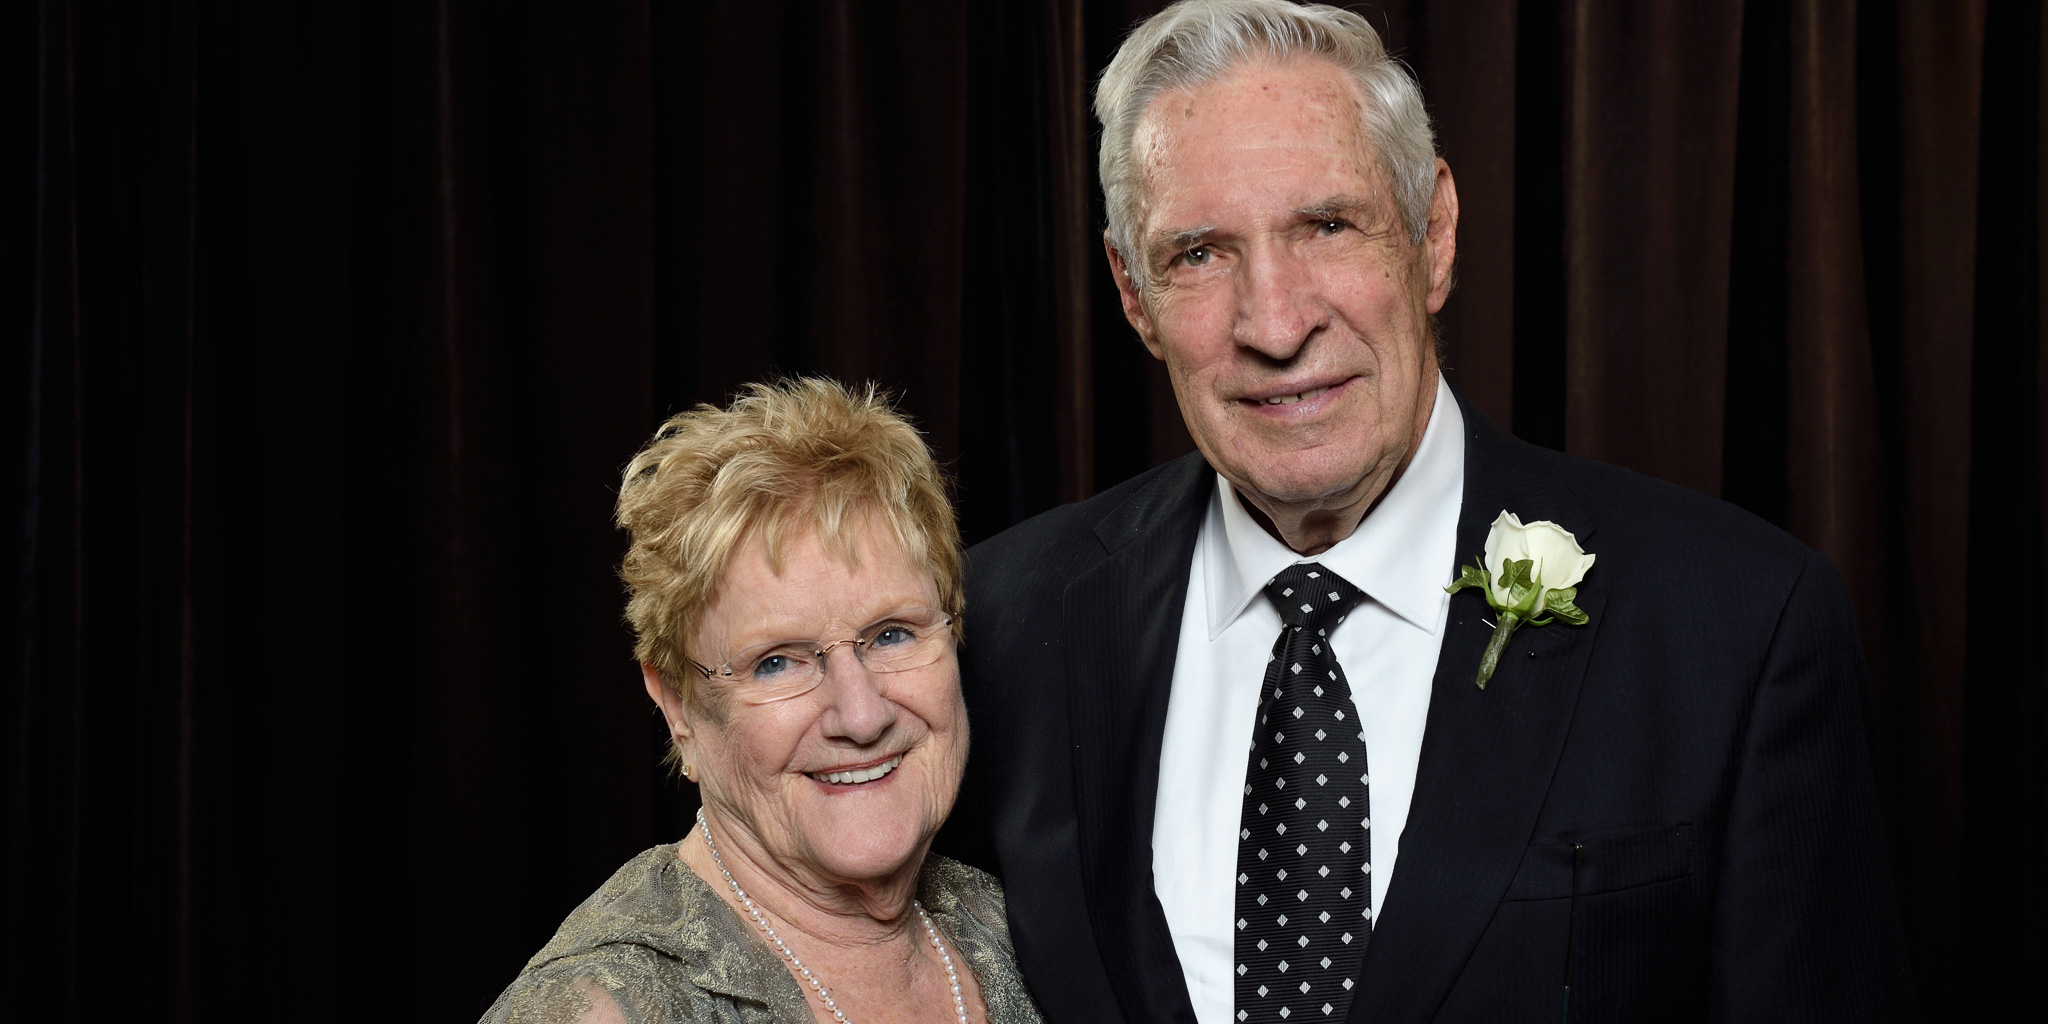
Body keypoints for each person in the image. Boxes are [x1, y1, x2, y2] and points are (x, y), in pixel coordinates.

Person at [942, 2, 1912, 1022]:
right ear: (1132, 295)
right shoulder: (999, 627)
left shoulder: (1737, 626)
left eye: (1325, 225)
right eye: (1198, 254)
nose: (1274, 322)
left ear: (1432, 233)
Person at [483, 379, 1044, 1024]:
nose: (862, 716)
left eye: (892, 634)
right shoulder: (607, 1006)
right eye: (776, 662)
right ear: (679, 706)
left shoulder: (1018, 929)